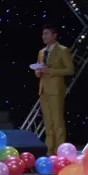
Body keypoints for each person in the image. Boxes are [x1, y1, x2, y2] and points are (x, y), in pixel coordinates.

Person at [35, 24, 74, 155]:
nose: (43, 36)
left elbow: (70, 70)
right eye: (43, 34)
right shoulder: (41, 52)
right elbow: (38, 69)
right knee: (48, 121)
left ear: (54, 35)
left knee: (57, 121)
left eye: (46, 33)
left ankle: (60, 150)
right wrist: (38, 71)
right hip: (43, 89)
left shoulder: (63, 50)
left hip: (56, 90)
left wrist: (50, 71)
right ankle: (49, 149)